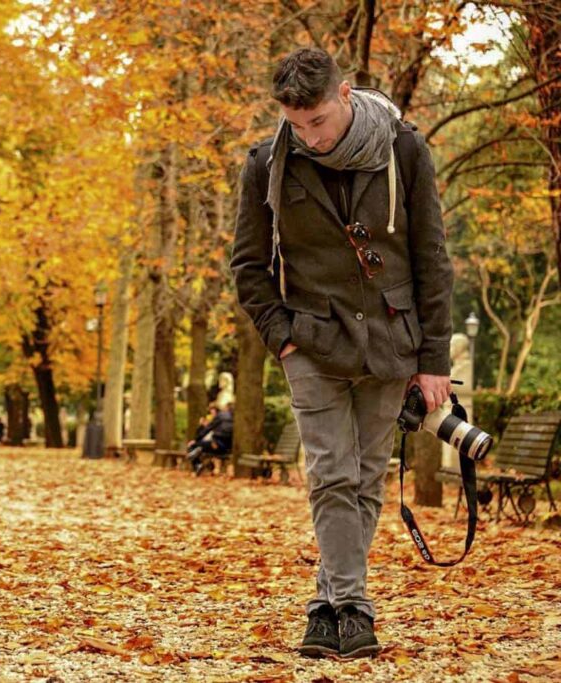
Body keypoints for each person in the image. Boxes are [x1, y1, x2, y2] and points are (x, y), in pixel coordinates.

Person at [230, 47, 453, 659]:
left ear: (345, 92)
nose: (310, 137)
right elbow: (249, 267)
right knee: (332, 472)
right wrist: (283, 335)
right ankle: (354, 607)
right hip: (312, 344)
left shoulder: (404, 150)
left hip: (391, 342)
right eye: (296, 126)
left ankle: (327, 604)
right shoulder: (265, 165)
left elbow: (431, 258)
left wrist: (434, 360)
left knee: (365, 480)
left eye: (319, 121)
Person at [186, 404, 234, 475]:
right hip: (228, 447)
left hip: (217, 444)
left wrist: (196, 440)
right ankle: (199, 451)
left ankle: (197, 465)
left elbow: (208, 429)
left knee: (192, 446)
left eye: (212, 412)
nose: (211, 415)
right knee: (201, 447)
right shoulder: (233, 417)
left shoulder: (220, 416)